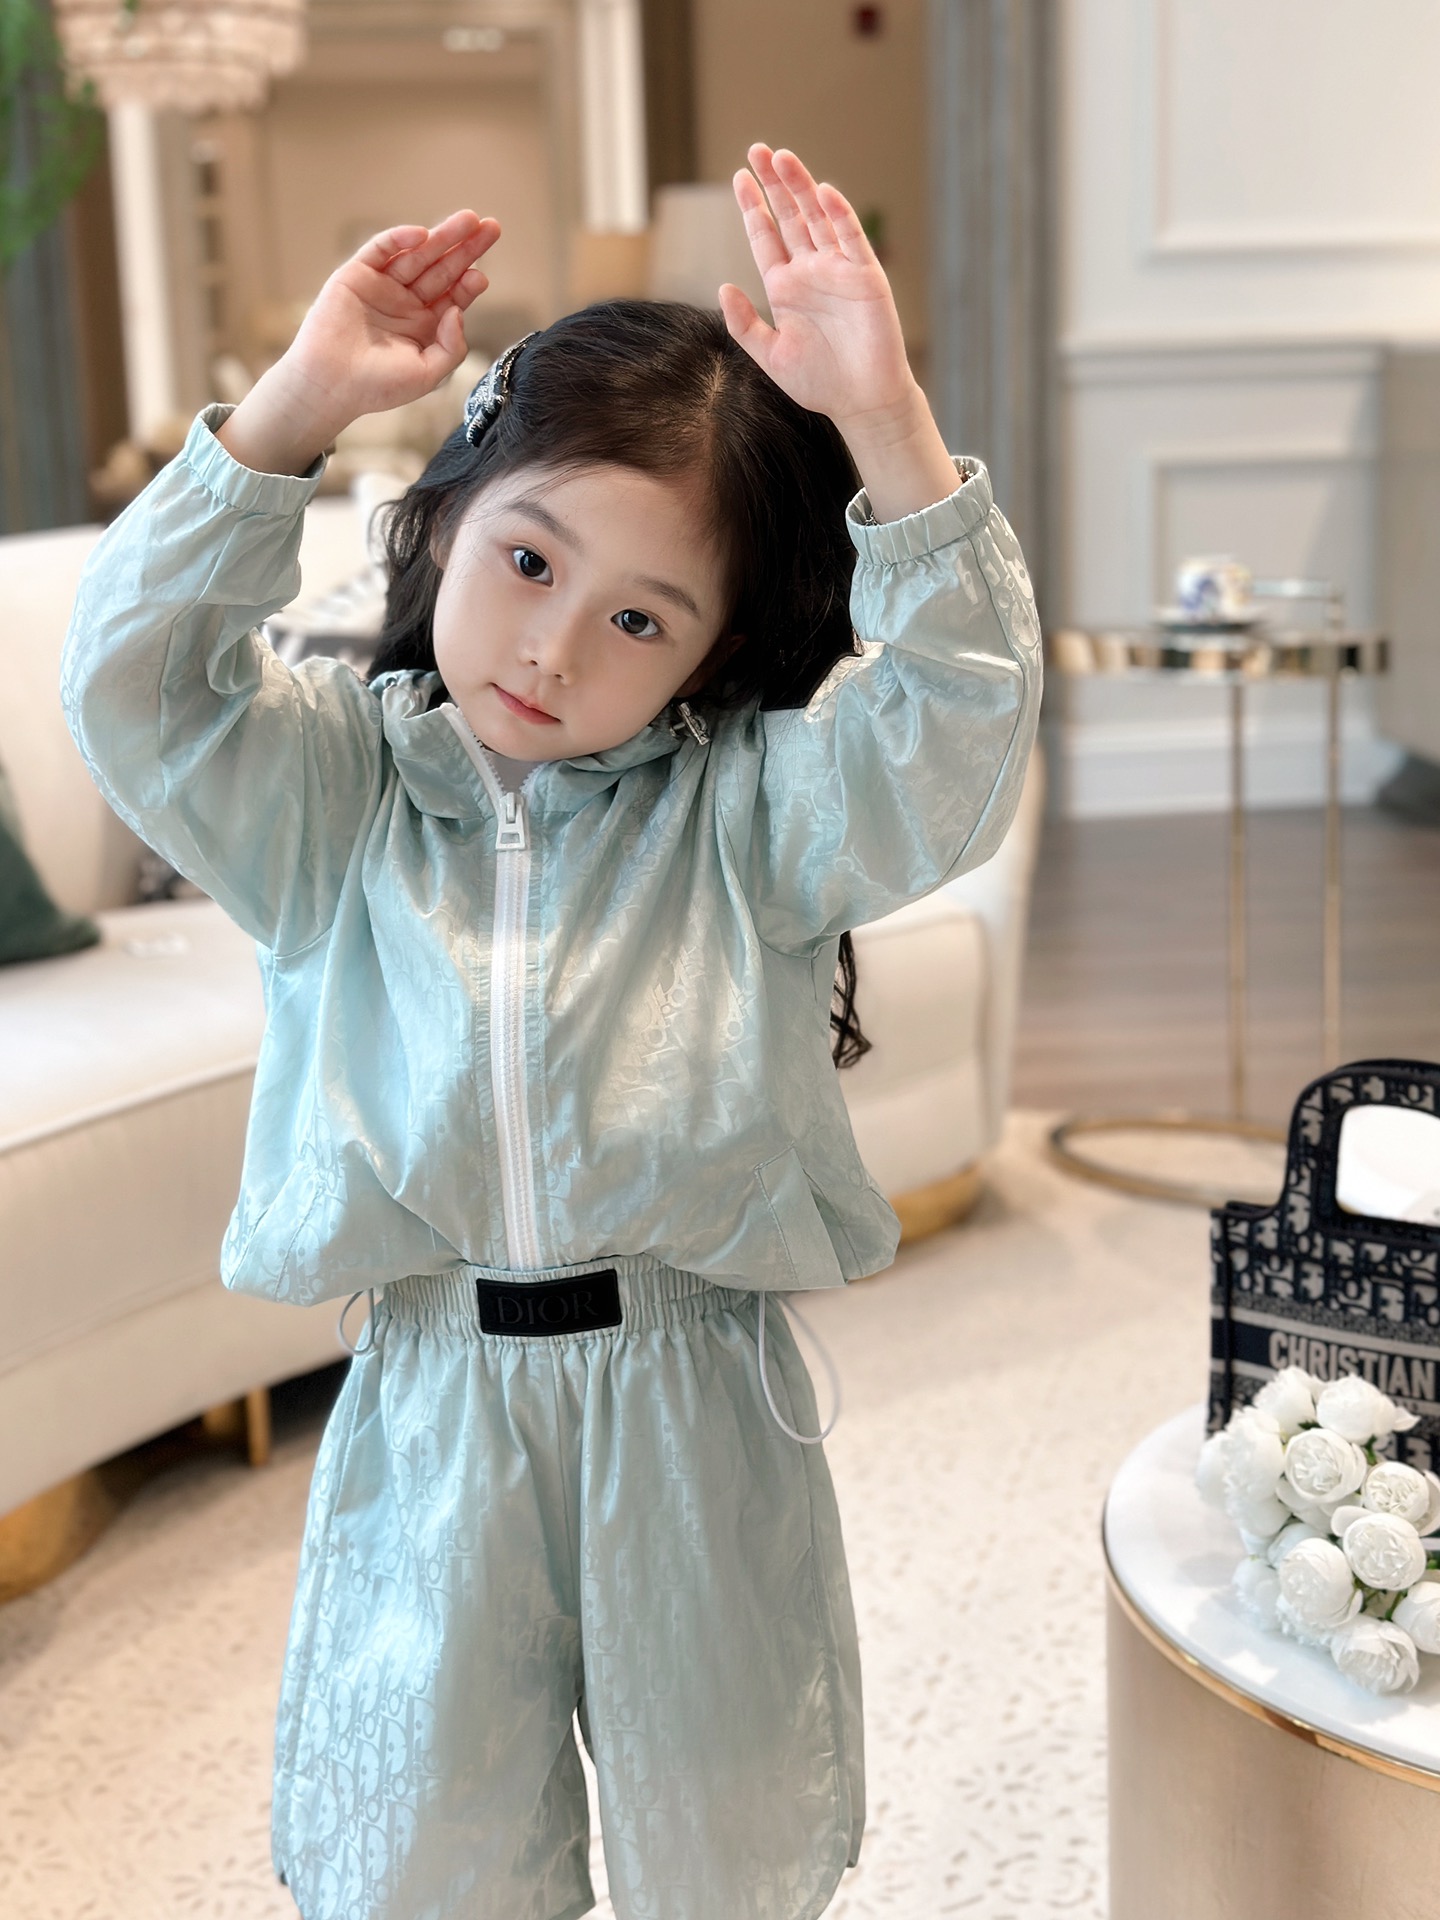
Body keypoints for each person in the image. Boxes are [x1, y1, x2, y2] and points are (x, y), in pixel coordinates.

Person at [63, 144, 1040, 1920]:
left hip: (694, 1398)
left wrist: (886, 422)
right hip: (434, 1397)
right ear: (450, 518)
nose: (553, 650)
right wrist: (297, 404)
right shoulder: (329, 798)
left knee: (723, 1842)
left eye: (639, 617)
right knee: (421, 1852)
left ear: (710, 656)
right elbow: (131, 680)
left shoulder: (749, 816)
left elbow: (956, 733)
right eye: (528, 558)